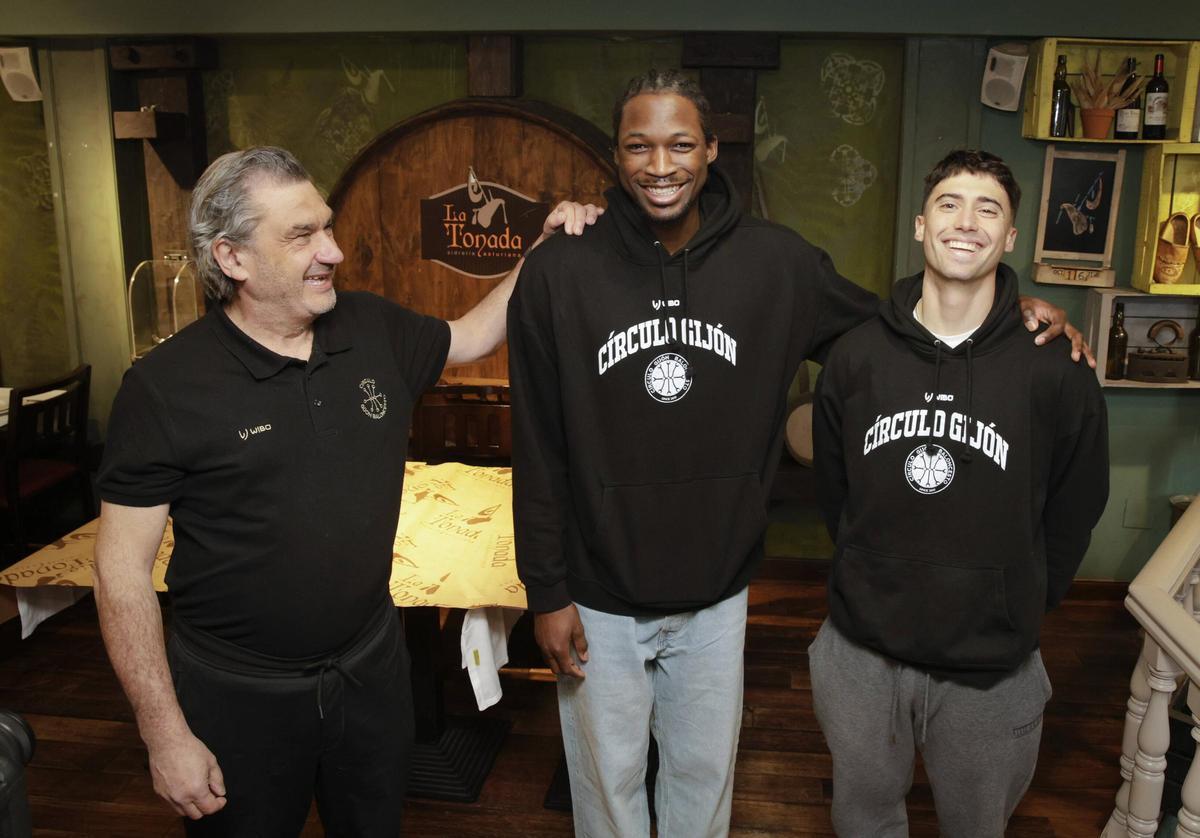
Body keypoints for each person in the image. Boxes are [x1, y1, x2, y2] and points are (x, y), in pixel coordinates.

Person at [506, 70, 1089, 838]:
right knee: (606, 786)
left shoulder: (777, 263)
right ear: (613, 156)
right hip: (596, 589)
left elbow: (897, 333)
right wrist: (545, 590)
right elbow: (537, 442)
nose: (660, 165)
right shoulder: (559, 272)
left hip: (717, 590)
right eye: (638, 146)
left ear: (711, 149)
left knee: (702, 778)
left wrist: (1015, 315)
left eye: (680, 144)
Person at [92, 146, 597, 836]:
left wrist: (539, 250)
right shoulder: (164, 389)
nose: (331, 250)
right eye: (301, 235)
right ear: (232, 258)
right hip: (236, 700)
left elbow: (473, 332)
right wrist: (163, 734)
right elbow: (120, 575)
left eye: (325, 227)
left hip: (370, 677)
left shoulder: (369, 329)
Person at [809, 149, 1109, 835]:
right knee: (862, 819)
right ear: (921, 225)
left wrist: (1022, 595)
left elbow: (1078, 498)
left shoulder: (1055, 369)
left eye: (988, 209)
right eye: (949, 203)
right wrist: (869, 570)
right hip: (862, 650)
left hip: (991, 664)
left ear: (1008, 237)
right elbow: (835, 487)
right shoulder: (858, 356)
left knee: (976, 827)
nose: (966, 222)